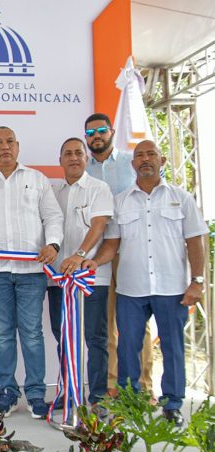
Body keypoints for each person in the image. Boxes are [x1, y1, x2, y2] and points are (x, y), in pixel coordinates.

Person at [87, 140, 207, 426]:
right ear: (133, 165)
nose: (145, 159)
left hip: (172, 288)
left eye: (151, 154)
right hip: (131, 288)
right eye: (139, 155)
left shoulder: (181, 198)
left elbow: (195, 242)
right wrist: (92, 262)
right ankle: (131, 402)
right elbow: (111, 244)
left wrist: (197, 282)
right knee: (128, 346)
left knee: (173, 347)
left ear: (162, 160)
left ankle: (172, 404)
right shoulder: (121, 202)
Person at [0, 127, 63, 418]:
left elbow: (53, 216)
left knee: (33, 334)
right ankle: (7, 394)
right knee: (2, 334)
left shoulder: (36, 180)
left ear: (18, 146)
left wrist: (53, 244)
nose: (4, 147)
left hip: (31, 271)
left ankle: (36, 394)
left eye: (9, 142)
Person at [84, 112, 154, 398]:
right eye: (91, 133)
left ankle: (144, 386)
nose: (96, 136)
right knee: (107, 322)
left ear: (111, 132)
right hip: (99, 253)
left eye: (101, 130)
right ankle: (113, 385)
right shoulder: (83, 170)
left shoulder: (131, 162)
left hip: (132, 250)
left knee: (138, 323)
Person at [47, 138, 113, 407]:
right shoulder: (53, 192)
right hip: (58, 280)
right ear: (60, 160)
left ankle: (97, 397)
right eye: (67, 153)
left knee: (95, 338)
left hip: (90, 279)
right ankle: (69, 392)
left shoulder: (99, 188)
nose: (73, 157)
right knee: (63, 337)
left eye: (78, 153)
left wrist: (80, 255)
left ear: (86, 159)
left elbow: (98, 226)